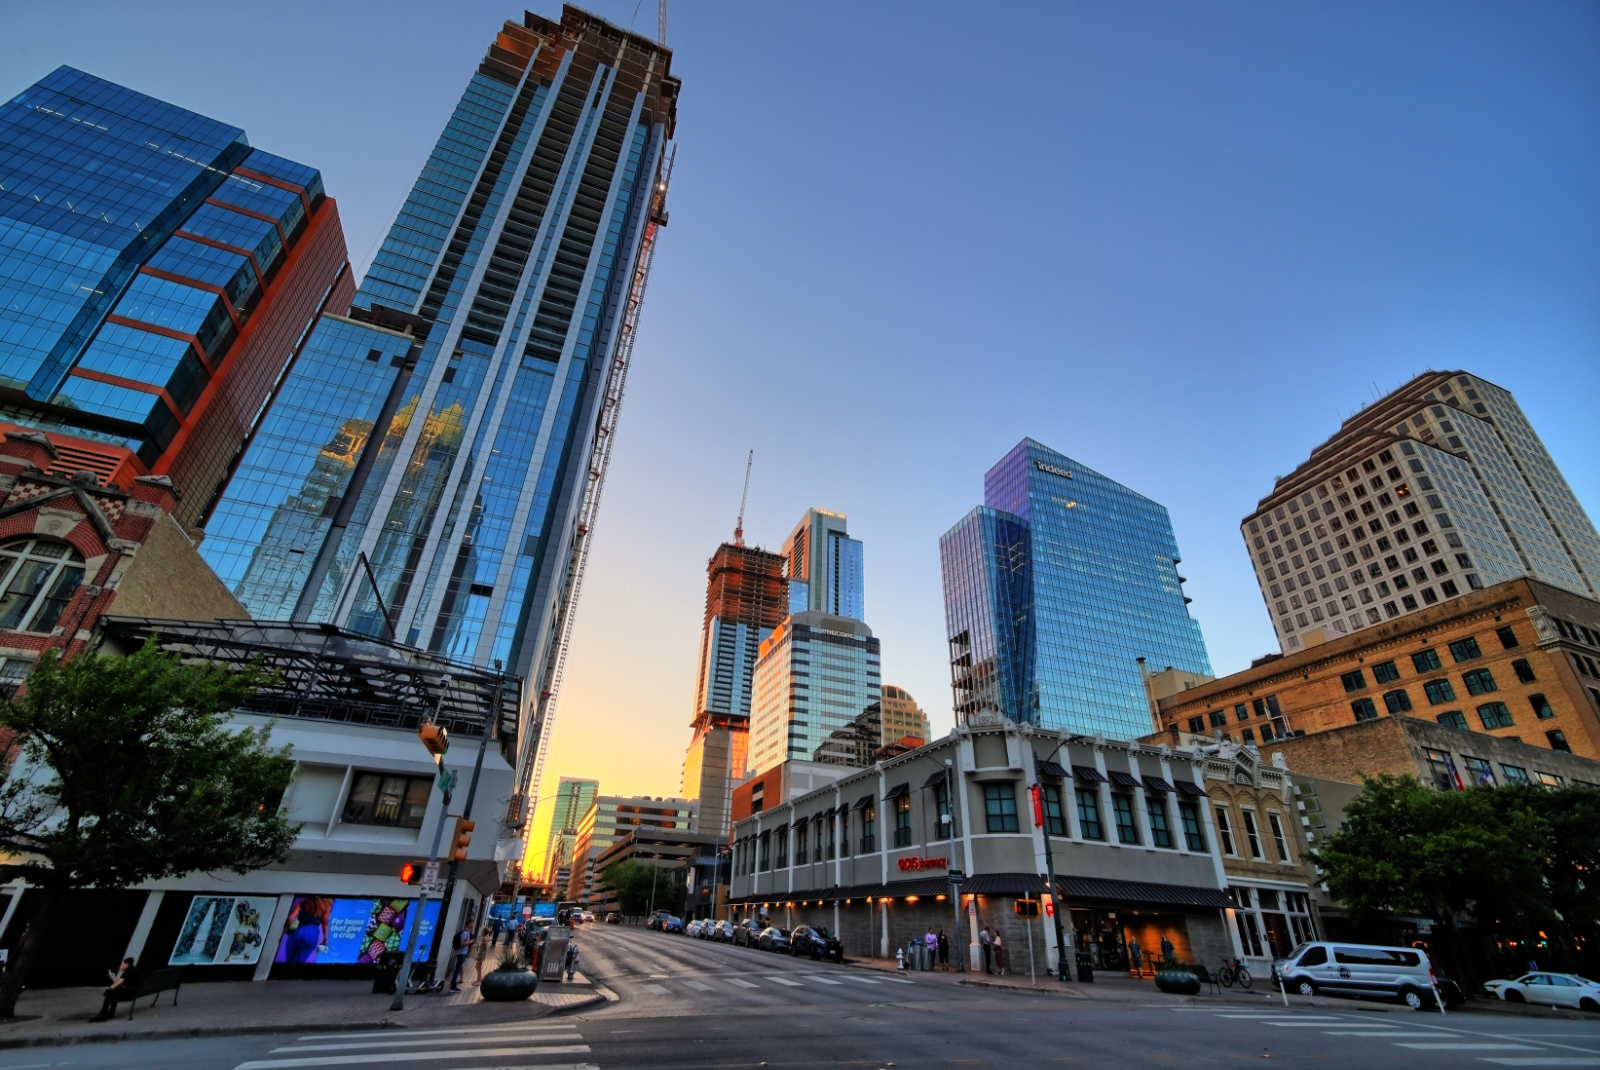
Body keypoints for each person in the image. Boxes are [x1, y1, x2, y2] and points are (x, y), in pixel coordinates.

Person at [91, 957, 142, 1022]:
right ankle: (110, 1014)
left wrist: (109, 988)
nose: (121, 966)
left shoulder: (129, 971)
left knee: (110, 993)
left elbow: (120, 982)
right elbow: (121, 982)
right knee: (114, 991)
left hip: (131, 993)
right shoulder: (135, 970)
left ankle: (103, 1015)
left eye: (122, 964)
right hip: (135, 991)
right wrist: (113, 978)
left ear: (127, 964)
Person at [448, 920, 474, 990]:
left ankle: (454, 984)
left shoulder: (467, 933)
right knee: (457, 969)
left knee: (458, 968)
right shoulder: (465, 933)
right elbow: (462, 943)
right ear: (469, 924)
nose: (473, 925)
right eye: (472, 923)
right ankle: (453, 986)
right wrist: (471, 941)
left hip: (462, 953)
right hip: (461, 953)